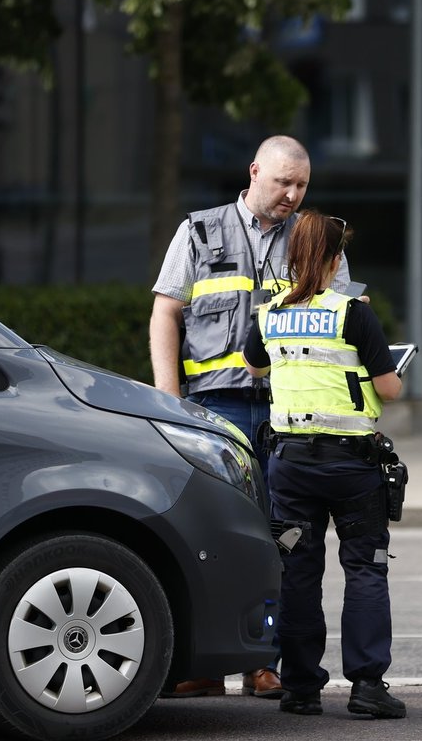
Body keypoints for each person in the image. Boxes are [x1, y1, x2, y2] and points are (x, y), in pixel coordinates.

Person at [149, 135, 350, 699]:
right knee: (209, 536)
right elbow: (167, 311)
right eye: (283, 182)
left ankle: (263, 662)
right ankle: (204, 664)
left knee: (281, 539)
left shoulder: (315, 238)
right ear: (254, 171)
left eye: (302, 185)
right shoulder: (200, 230)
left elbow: (344, 318)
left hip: (291, 411)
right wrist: (169, 400)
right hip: (214, 409)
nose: (292, 194)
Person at [242, 210, 406, 719]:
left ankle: (300, 689)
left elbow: (255, 364)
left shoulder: (268, 313)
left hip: (289, 466)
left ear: (292, 256)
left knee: (297, 572)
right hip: (351, 467)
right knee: (364, 569)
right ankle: (367, 688)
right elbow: (389, 388)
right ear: (336, 260)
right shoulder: (352, 312)